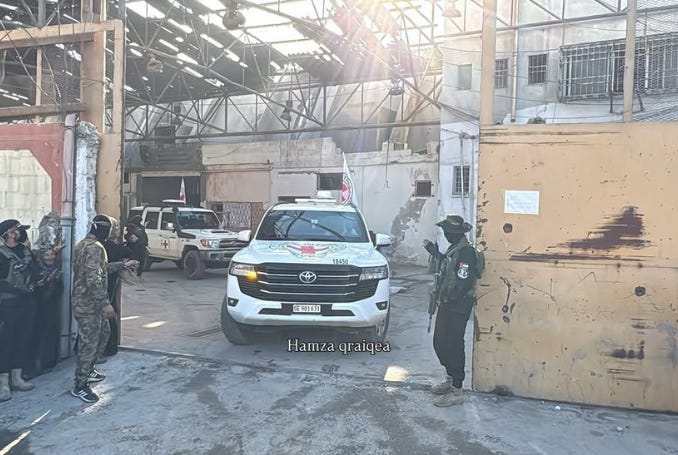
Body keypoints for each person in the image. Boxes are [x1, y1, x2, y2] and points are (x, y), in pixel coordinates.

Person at [70, 215, 138, 403]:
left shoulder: (84, 244)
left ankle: (89, 370)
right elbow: (94, 279)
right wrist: (104, 303)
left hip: (87, 301)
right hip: (89, 304)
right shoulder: (95, 248)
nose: (110, 233)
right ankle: (80, 385)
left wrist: (123, 265)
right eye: (109, 229)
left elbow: (100, 268)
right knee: (89, 343)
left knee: (104, 332)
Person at [423, 215, 478, 407]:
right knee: (440, 342)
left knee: (453, 345)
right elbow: (447, 266)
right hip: (446, 303)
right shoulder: (454, 249)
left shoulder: (466, 253)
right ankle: (450, 377)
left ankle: (457, 389)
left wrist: (449, 297)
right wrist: (434, 252)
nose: (445, 234)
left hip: (458, 306)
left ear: (455, 233)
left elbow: (462, 282)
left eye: (447, 232)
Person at [0, 219, 38, 402]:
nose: (21, 233)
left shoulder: (25, 251)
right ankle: (3, 383)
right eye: (17, 230)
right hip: (8, 304)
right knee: (6, 342)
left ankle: (17, 378)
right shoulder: (1, 254)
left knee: (23, 339)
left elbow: (36, 272)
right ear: (9, 233)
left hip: (27, 302)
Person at [27, 242, 65, 378]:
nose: (50, 257)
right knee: (38, 336)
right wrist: (45, 282)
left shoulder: (56, 270)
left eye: (52, 254)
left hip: (52, 307)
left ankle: (48, 363)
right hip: (39, 308)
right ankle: (36, 366)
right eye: (47, 255)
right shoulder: (36, 271)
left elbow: (59, 290)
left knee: (50, 334)